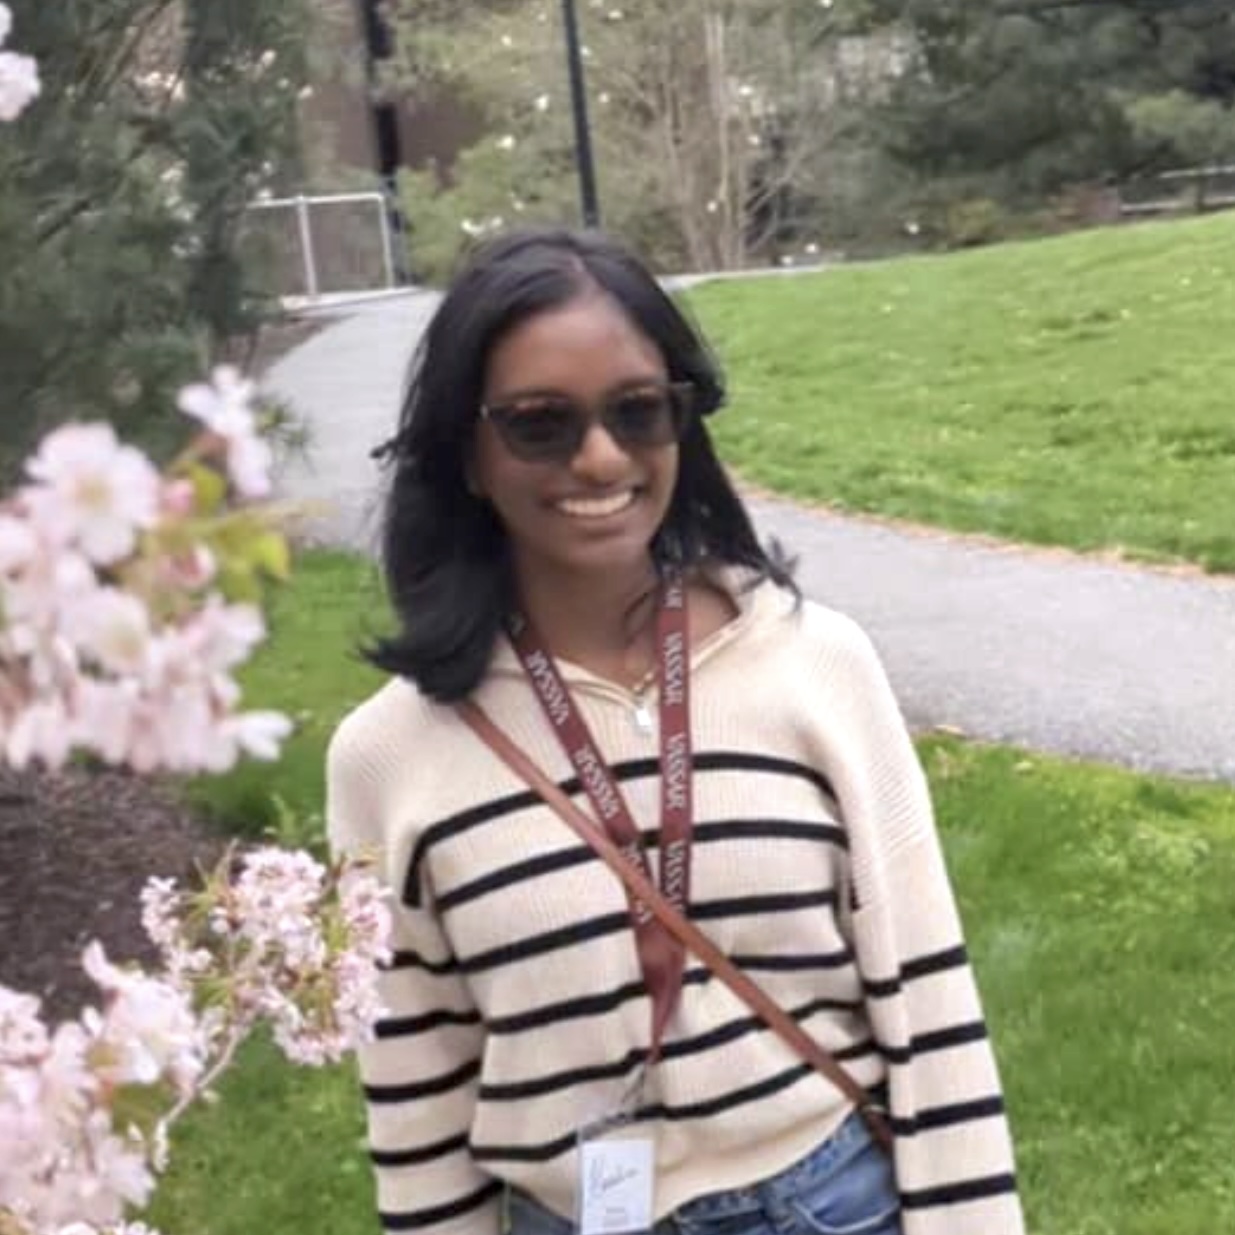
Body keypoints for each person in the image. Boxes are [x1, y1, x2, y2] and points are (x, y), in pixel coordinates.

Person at [327, 226, 1024, 1235]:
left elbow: (925, 996)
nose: (599, 455)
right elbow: (414, 1090)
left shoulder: (813, 665)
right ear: (466, 453)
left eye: (636, 411)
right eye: (538, 423)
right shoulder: (386, 756)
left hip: (826, 1205)